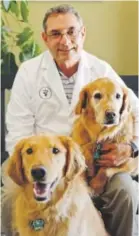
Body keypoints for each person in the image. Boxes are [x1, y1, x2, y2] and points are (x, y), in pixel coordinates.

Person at [2, 4, 139, 236]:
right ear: (45, 38)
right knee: (8, 198)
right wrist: (42, 165)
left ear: (82, 33)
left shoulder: (101, 70)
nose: (65, 41)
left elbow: (136, 110)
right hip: (41, 159)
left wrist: (132, 146)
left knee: (126, 192)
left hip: (94, 162)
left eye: (71, 31)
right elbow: (17, 134)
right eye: (56, 34)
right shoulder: (29, 72)